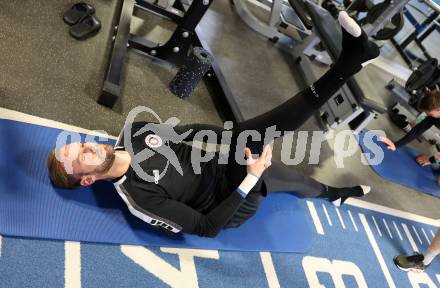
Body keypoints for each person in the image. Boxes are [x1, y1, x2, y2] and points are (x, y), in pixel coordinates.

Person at [47, 12, 379, 237]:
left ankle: (336, 192)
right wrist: (248, 181)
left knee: (285, 173)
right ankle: (348, 64)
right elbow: (206, 227)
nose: (89, 144)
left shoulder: (136, 132)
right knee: (272, 175)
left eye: (79, 142)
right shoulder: (139, 198)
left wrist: (233, 136)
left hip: (220, 167)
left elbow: (190, 133)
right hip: (227, 200)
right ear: (88, 179)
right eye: (81, 156)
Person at [380, 90, 440, 184]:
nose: (428, 115)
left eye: (430, 114)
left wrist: (429, 160)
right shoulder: (434, 114)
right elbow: (417, 130)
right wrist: (396, 145)